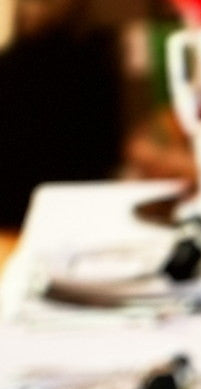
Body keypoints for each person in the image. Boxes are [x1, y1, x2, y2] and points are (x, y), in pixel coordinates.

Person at [0, 0, 124, 229]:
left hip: (24, 213)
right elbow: (109, 149)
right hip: (80, 209)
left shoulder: (10, 66)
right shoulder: (93, 60)